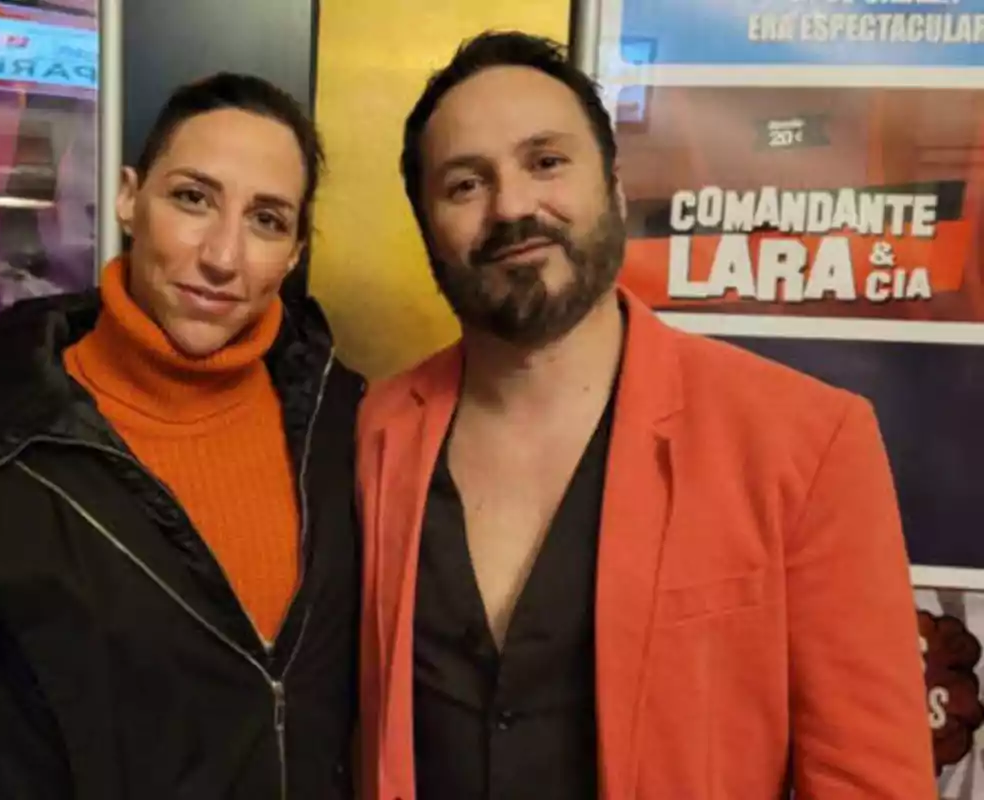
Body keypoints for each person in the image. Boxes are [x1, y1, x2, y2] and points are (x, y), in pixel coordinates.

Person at [356, 31, 935, 800]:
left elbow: (872, 782)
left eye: (547, 161)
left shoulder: (806, 441)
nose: (514, 206)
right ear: (429, 226)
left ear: (617, 189)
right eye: (465, 184)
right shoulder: (372, 433)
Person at [0, 72, 363, 799]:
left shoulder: (347, 424)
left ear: (296, 252)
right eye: (193, 198)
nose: (222, 255)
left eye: (267, 219)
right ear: (127, 198)